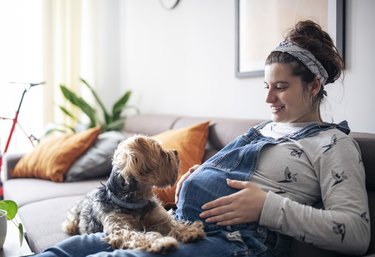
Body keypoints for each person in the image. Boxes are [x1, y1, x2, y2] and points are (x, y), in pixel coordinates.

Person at [35, 20, 370, 257]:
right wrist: (196, 176)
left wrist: (267, 206)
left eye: (280, 87)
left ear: (313, 86)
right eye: (266, 86)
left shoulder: (333, 144)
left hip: (238, 242)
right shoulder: (263, 130)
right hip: (178, 224)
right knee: (73, 248)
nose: (269, 99)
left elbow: (356, 233)